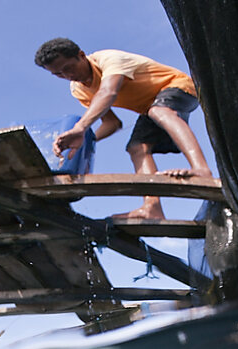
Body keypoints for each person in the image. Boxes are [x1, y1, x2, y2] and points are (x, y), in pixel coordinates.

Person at [34, 38, 213, 221]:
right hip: (150, 108)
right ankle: (152, 208)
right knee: (136, 147)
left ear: (81, 55)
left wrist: (80, 128)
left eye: (68, 67)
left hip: (179, 86)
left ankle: (201, 170)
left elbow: (108, 92)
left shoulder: (109, 59)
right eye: (58, 74)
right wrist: (84, 141)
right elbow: (111, 123)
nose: (67, 75)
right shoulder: (78, 89)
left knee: (160, 111)